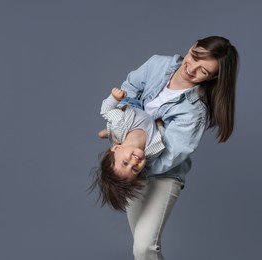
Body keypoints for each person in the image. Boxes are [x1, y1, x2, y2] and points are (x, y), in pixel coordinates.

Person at [99, 35, 239, 260]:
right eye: (194, 56)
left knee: (144, 248)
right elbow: (128, 90)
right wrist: (128, 130)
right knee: (142, 248)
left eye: (203, 71)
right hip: (131, 171)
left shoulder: (195, 112)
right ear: (193, 46)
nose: (191, 69)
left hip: (163, 175)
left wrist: (128, 149)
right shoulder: (158, 64)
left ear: (214, 77)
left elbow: (169, 155)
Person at [90, 87, 165, 211]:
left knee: (116, 118)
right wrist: (160, 124)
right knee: (153, 111)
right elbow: (162, 135)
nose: (134, 163)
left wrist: (114, 98)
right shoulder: (154, 150)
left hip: (131, 107)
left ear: (117, 148)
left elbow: (106, 110)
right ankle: (108, 133)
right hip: (149, 118)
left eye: (125, 163)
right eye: (135, 170)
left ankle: (109, 132)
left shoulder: (120, 124)